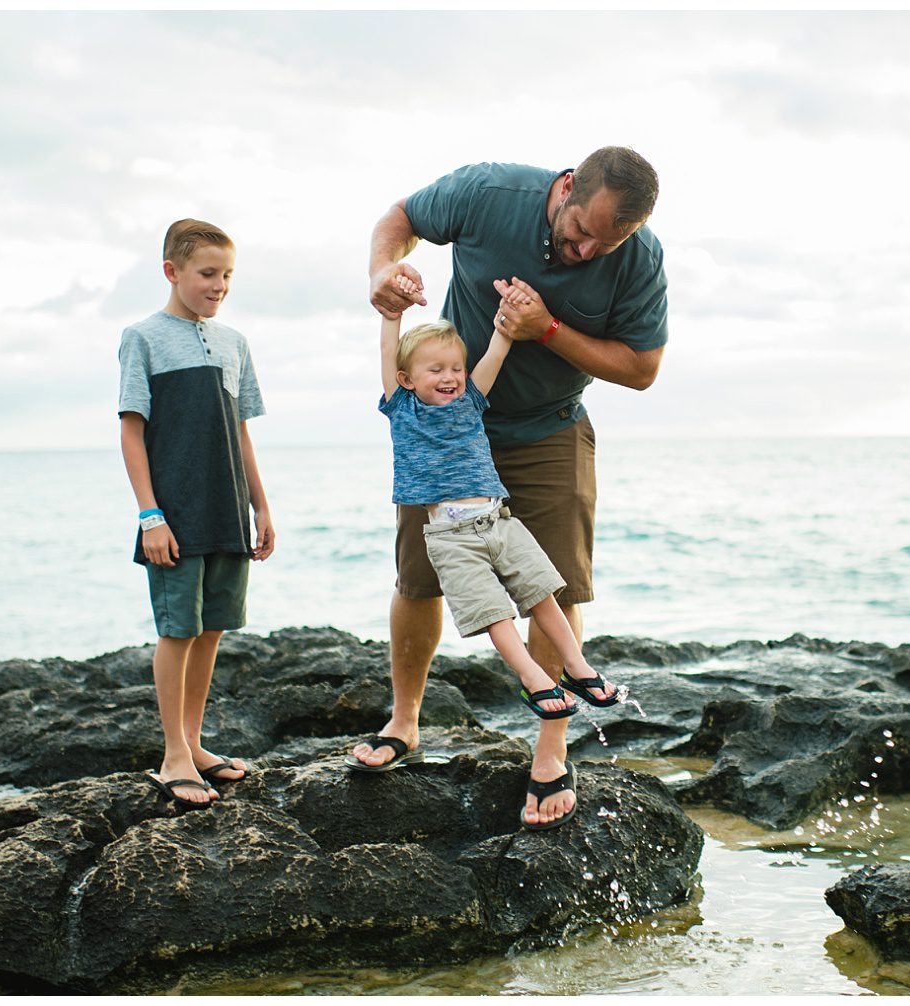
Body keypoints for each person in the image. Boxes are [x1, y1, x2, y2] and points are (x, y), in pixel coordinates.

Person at [352, 147, 668, 829]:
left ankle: (551, 750)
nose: (588, 251)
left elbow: (641, 368)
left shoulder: (639, 258)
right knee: (418, 579)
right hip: (443, 436)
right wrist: (385, 271)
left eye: (606, 244)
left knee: (551, 588)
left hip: (549, 431)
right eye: (581, 230)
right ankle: (405, 719)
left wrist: (545, 330)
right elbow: (400, 217)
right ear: (565, 190)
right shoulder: (487, 192)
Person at [348, 277, 622, 829]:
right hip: (450, 537)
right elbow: (387, 346)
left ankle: (578, 668)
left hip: (499, 521)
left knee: (544, 591)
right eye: (435, 370)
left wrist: (506, 321)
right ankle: (535, 680)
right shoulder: (400, 409)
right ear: (406, 380)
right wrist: (391, 315)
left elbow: (498, 348)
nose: (449, 377)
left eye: (454, 367)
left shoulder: (471, 399)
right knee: (493, 611)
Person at [118, 218, 276, 809]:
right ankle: (173, 757)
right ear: (173, 272)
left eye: (228, 275)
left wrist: (261, 507)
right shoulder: (143, 337)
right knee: (177, 630)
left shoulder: (234, 343)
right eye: (208, 274)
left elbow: (241, 434)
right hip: (175, 514)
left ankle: (193, 743)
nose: (219, 285)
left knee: (211, 630)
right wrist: (149, 516)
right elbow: (132, 434)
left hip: (228, 510)